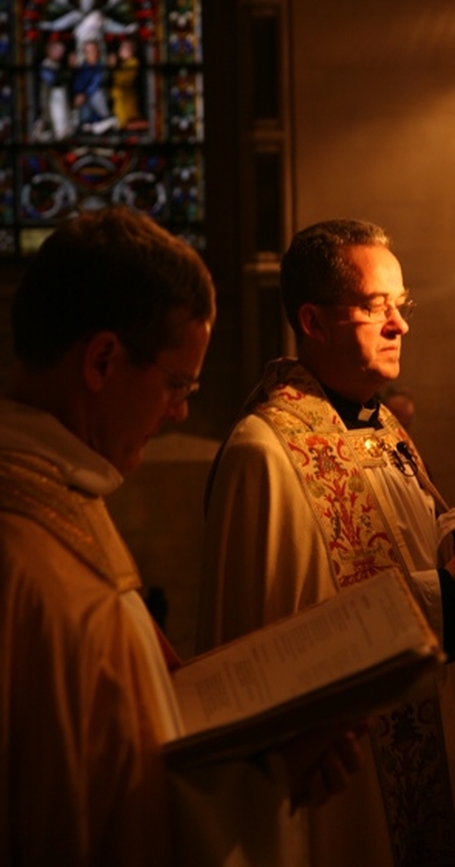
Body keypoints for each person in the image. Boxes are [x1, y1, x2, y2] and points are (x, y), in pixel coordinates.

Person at [0, 207, 365, 867]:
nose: (180, 411)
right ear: (104, 359)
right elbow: (91, 821)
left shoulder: (59, 493)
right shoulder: (36, 565)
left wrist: (259, 748)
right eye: (176, 383)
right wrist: (268, 776)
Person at [197, 218, 455, 867]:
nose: (398, 324)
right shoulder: (263, 454)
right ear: (313, 321)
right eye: (374, 306)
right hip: (348, 798)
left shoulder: (384, 429)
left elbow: (401, 551)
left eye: (400, 305)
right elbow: (281, 646)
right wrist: (451, 589)